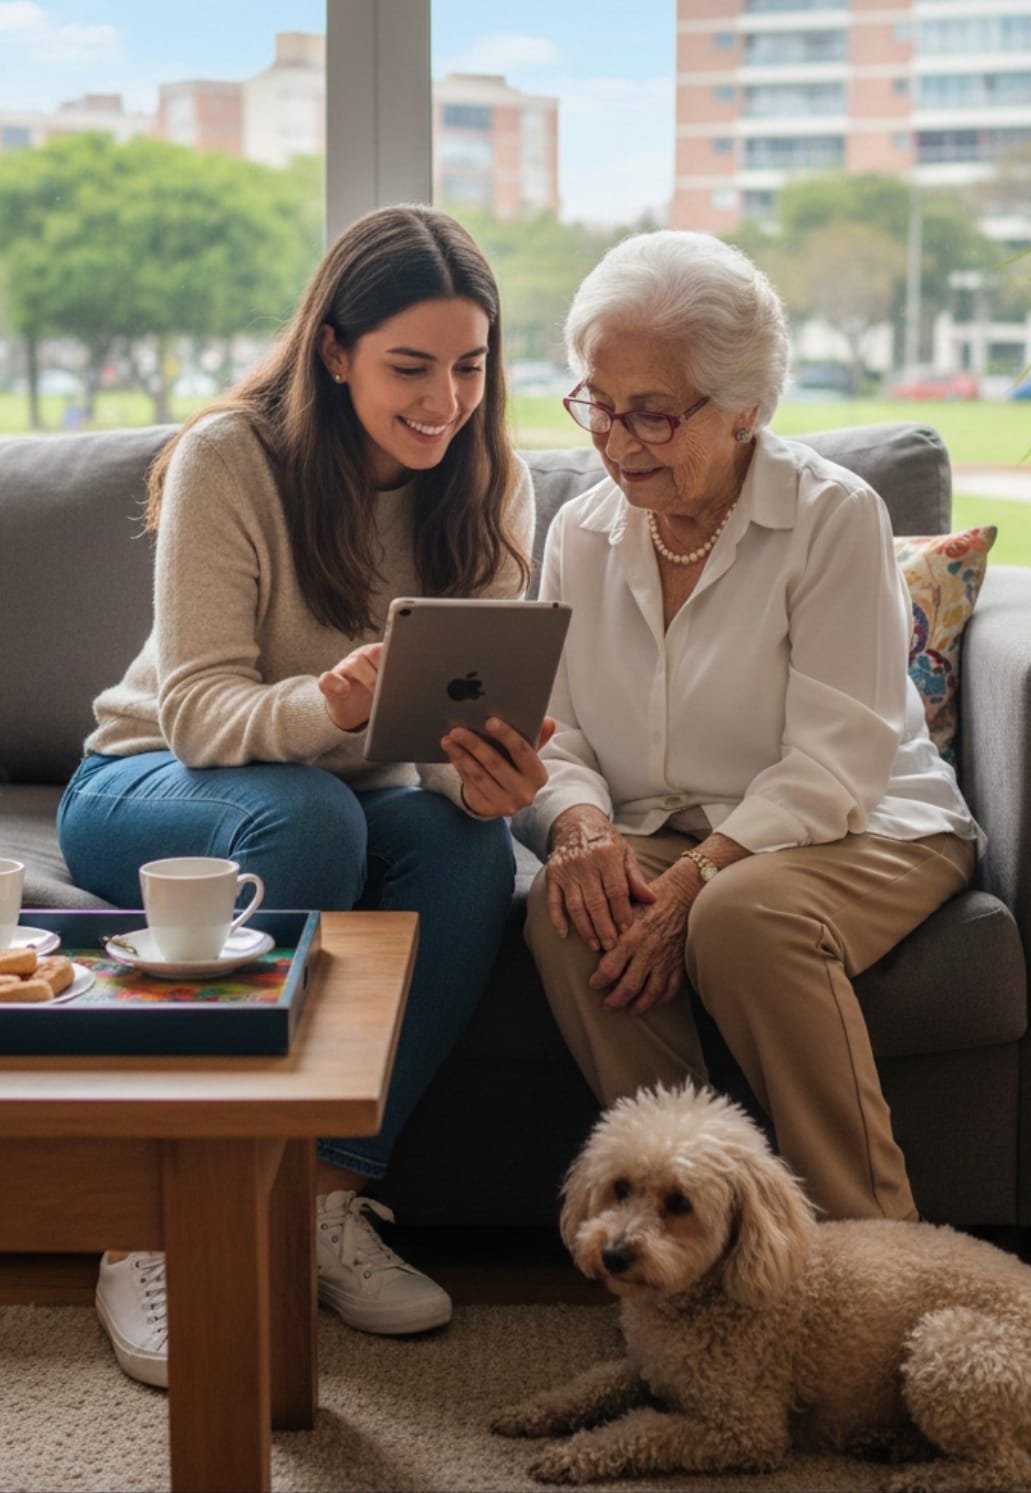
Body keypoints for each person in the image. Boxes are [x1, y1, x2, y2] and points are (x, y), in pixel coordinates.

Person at [58, 204, 550, 1388]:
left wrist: (488, 777)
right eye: (409, 366)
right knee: (307, 815)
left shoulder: (492, 483)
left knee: (465, 847)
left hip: (341, 792)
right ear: (334, 349)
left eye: (469, 366)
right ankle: (155, 1227)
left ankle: (324, 1196)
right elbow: (196, 709)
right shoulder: (233, 456)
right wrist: (325, 704)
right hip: (150, 780)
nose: (444, 400)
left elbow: (444, 733)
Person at [513, 229, 984, 1227]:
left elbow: (837, 760)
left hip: (862, 822)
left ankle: (871, 1249)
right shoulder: (580, 532)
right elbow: (557, 734)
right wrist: (582, 828)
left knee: (741, 916)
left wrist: (694, 878)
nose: (616, 440)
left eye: (651, 412)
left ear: (745, 408)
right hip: (666, 820)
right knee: (569, 910)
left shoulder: (831, 516)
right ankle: (699, 1234)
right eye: (598, 403)